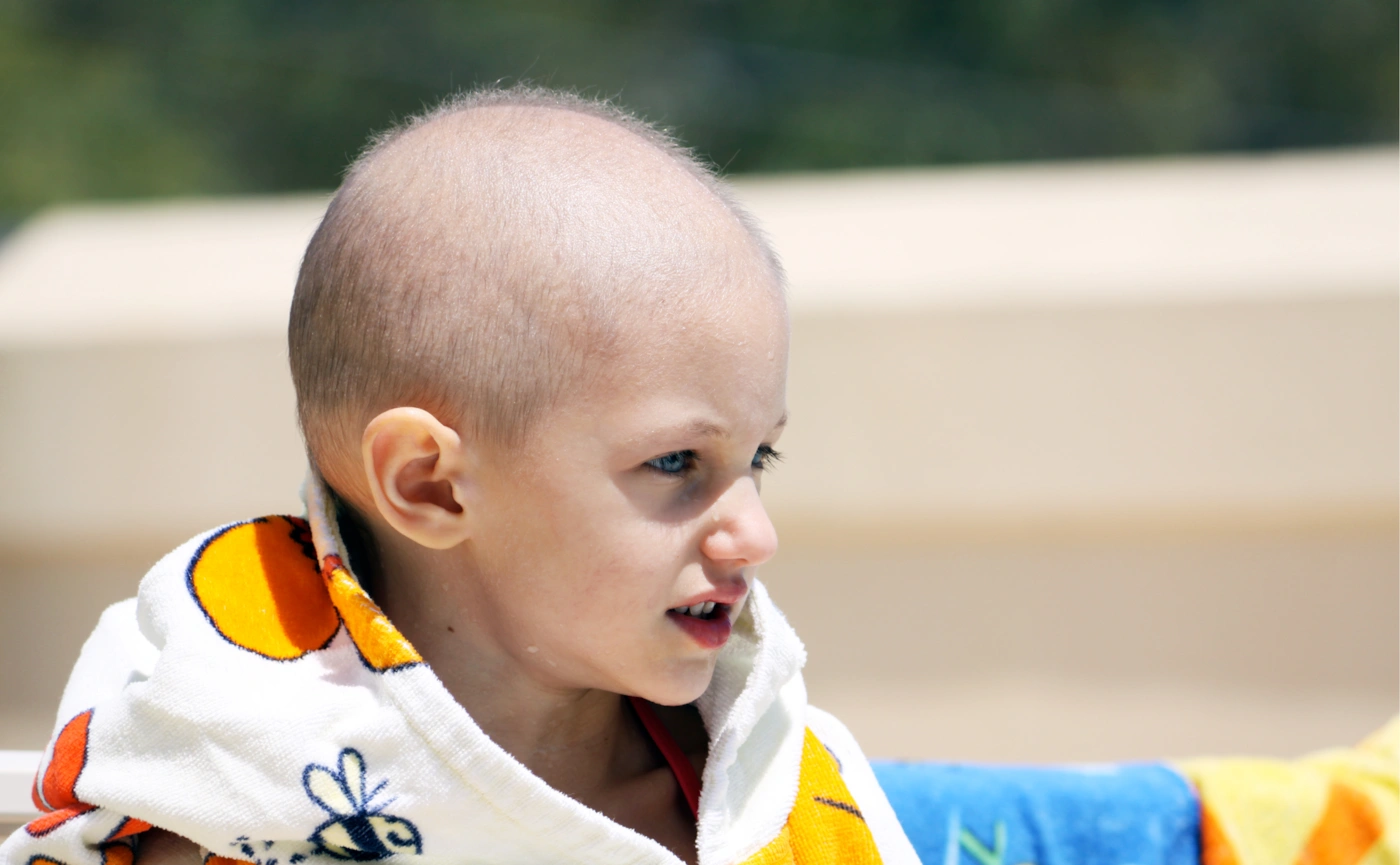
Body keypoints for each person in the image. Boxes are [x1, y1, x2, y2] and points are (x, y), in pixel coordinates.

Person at [1, 87, 919, 865]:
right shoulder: (225, 817)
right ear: (432, 486)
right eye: (675, 462)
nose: (754, 534)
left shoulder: (786, 790)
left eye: (756, 459)